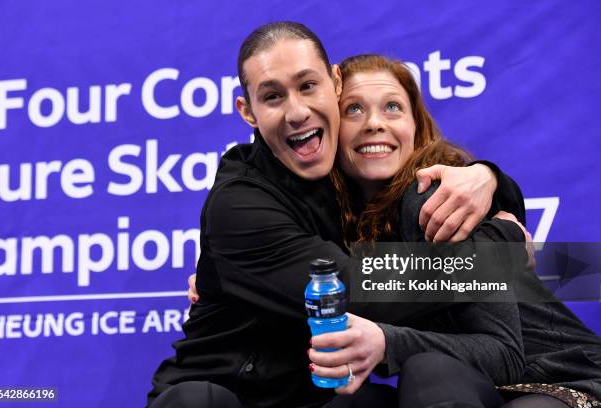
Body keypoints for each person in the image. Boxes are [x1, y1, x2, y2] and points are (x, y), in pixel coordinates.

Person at [148, 22, 526, 408]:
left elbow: (576, 272)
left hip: (320, 398)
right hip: (231, 397)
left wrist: (490, 179)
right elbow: (355, 290)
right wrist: (500, 252)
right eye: (273, 96)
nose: (297, 112)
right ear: (248, 112)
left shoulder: (351, 172)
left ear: (335, 82)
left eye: (308, 86)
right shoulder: (239, 203)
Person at [307, 54, 601, 407]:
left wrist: (385, 341)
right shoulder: (336, 222)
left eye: (393, 108)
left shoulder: (431, 200)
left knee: (430, 372)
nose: (374, 123)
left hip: (560, 377)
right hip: (479, 387)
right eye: (353, 109)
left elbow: (504, 353)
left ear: (416, 127)